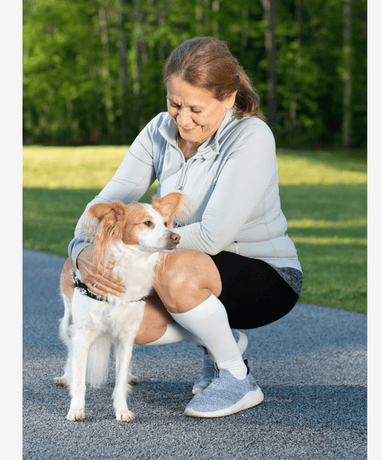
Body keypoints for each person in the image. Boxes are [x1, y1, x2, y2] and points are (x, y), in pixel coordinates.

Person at [68, 37, 302, 418]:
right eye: (174, 104)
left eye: (196, 108)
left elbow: (212, 237)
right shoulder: (159, 130)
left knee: (169, 266)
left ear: (229, 98)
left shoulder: (252, 137)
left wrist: (129, 244)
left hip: (266, 275)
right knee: (126, 314)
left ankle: (236, 377)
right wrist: (81, 253)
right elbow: (100, 209)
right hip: (182, 262)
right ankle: (223, 340)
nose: (182, 118)